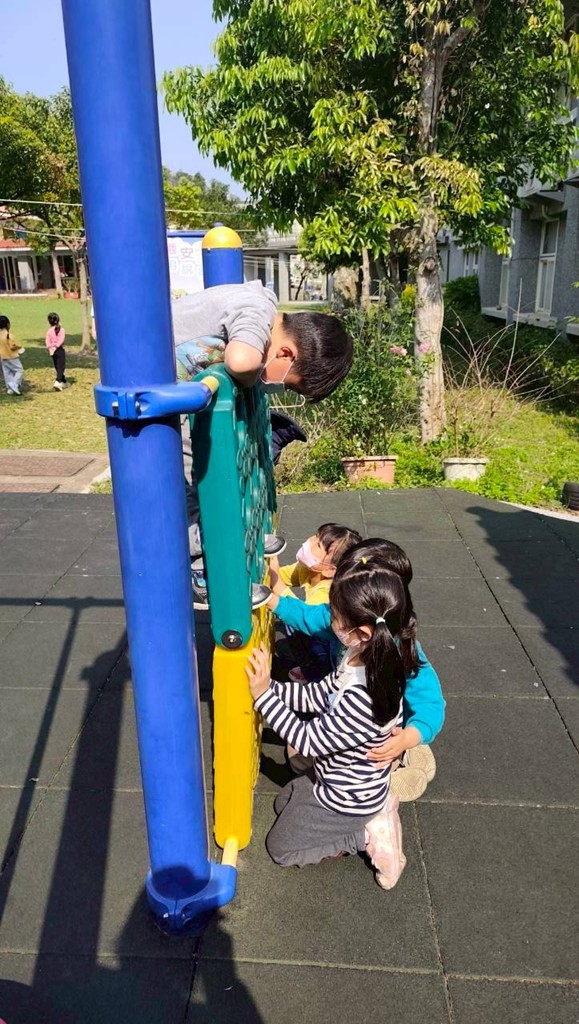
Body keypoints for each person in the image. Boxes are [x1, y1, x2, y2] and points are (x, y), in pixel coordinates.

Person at [172, 282, 353, 607]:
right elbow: (242, 362)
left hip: (178, 398)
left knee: (237, 452)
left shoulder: (262, 316)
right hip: (148, 392)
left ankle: (243, 532)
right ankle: (197, 563)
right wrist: (251, 377)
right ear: (285, 354)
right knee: (196, 476)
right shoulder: (256, 309)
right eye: (290, 386)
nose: (279, 388)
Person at [246, 562, 416, 888]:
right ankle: (368, 814)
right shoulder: (357, 654)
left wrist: (264, 697)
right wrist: (271, 687)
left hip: (348, 799)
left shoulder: (364, 698)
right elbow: (318, 695)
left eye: (335, 615)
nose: (330, 618)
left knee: (281, 848)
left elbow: (308, 741)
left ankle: (365, 834)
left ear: (363, 632)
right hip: (334, 777)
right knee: (283, 802)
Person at [267, 538, 445, 802]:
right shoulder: (346, 616)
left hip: (381, 734)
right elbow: (308, 616)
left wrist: (409, 736)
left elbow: (430, 702)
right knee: (301, 755)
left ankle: (394, 771)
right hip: (349, 708)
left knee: (309, 758)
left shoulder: (402, 650)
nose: (333, 611)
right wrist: (273, 601)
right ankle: (407, 754)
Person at [269, 523, 362, 683]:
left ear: (329, 570)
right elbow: (282, 576)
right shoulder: (307, 569)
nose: (309, 542)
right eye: (316, 536)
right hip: (314, 628)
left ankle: (316, 673)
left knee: (293, 623)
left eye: (318, 545)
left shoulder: (326, 592)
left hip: (328, 644)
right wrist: (272, 573)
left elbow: (301, 615)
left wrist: (274, 573)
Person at [0, 315, 24, 395]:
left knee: (7, 372)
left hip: (3, 356)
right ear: (7, 324)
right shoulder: (9, 335)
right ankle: (14, 384)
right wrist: (19, 347)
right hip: (12, 356)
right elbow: (12, 347)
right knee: (19, 370)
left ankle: (10, 389)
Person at [45, 312, 68, 391]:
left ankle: (63, 381)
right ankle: (58, 381)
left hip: (53, 351)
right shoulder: (62, 330)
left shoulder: (49, 331)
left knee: (57, 366)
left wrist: (50, 348)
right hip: (60, 350)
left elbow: (47, 341)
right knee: (61, 367)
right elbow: (61, 340)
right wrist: (56, 345)